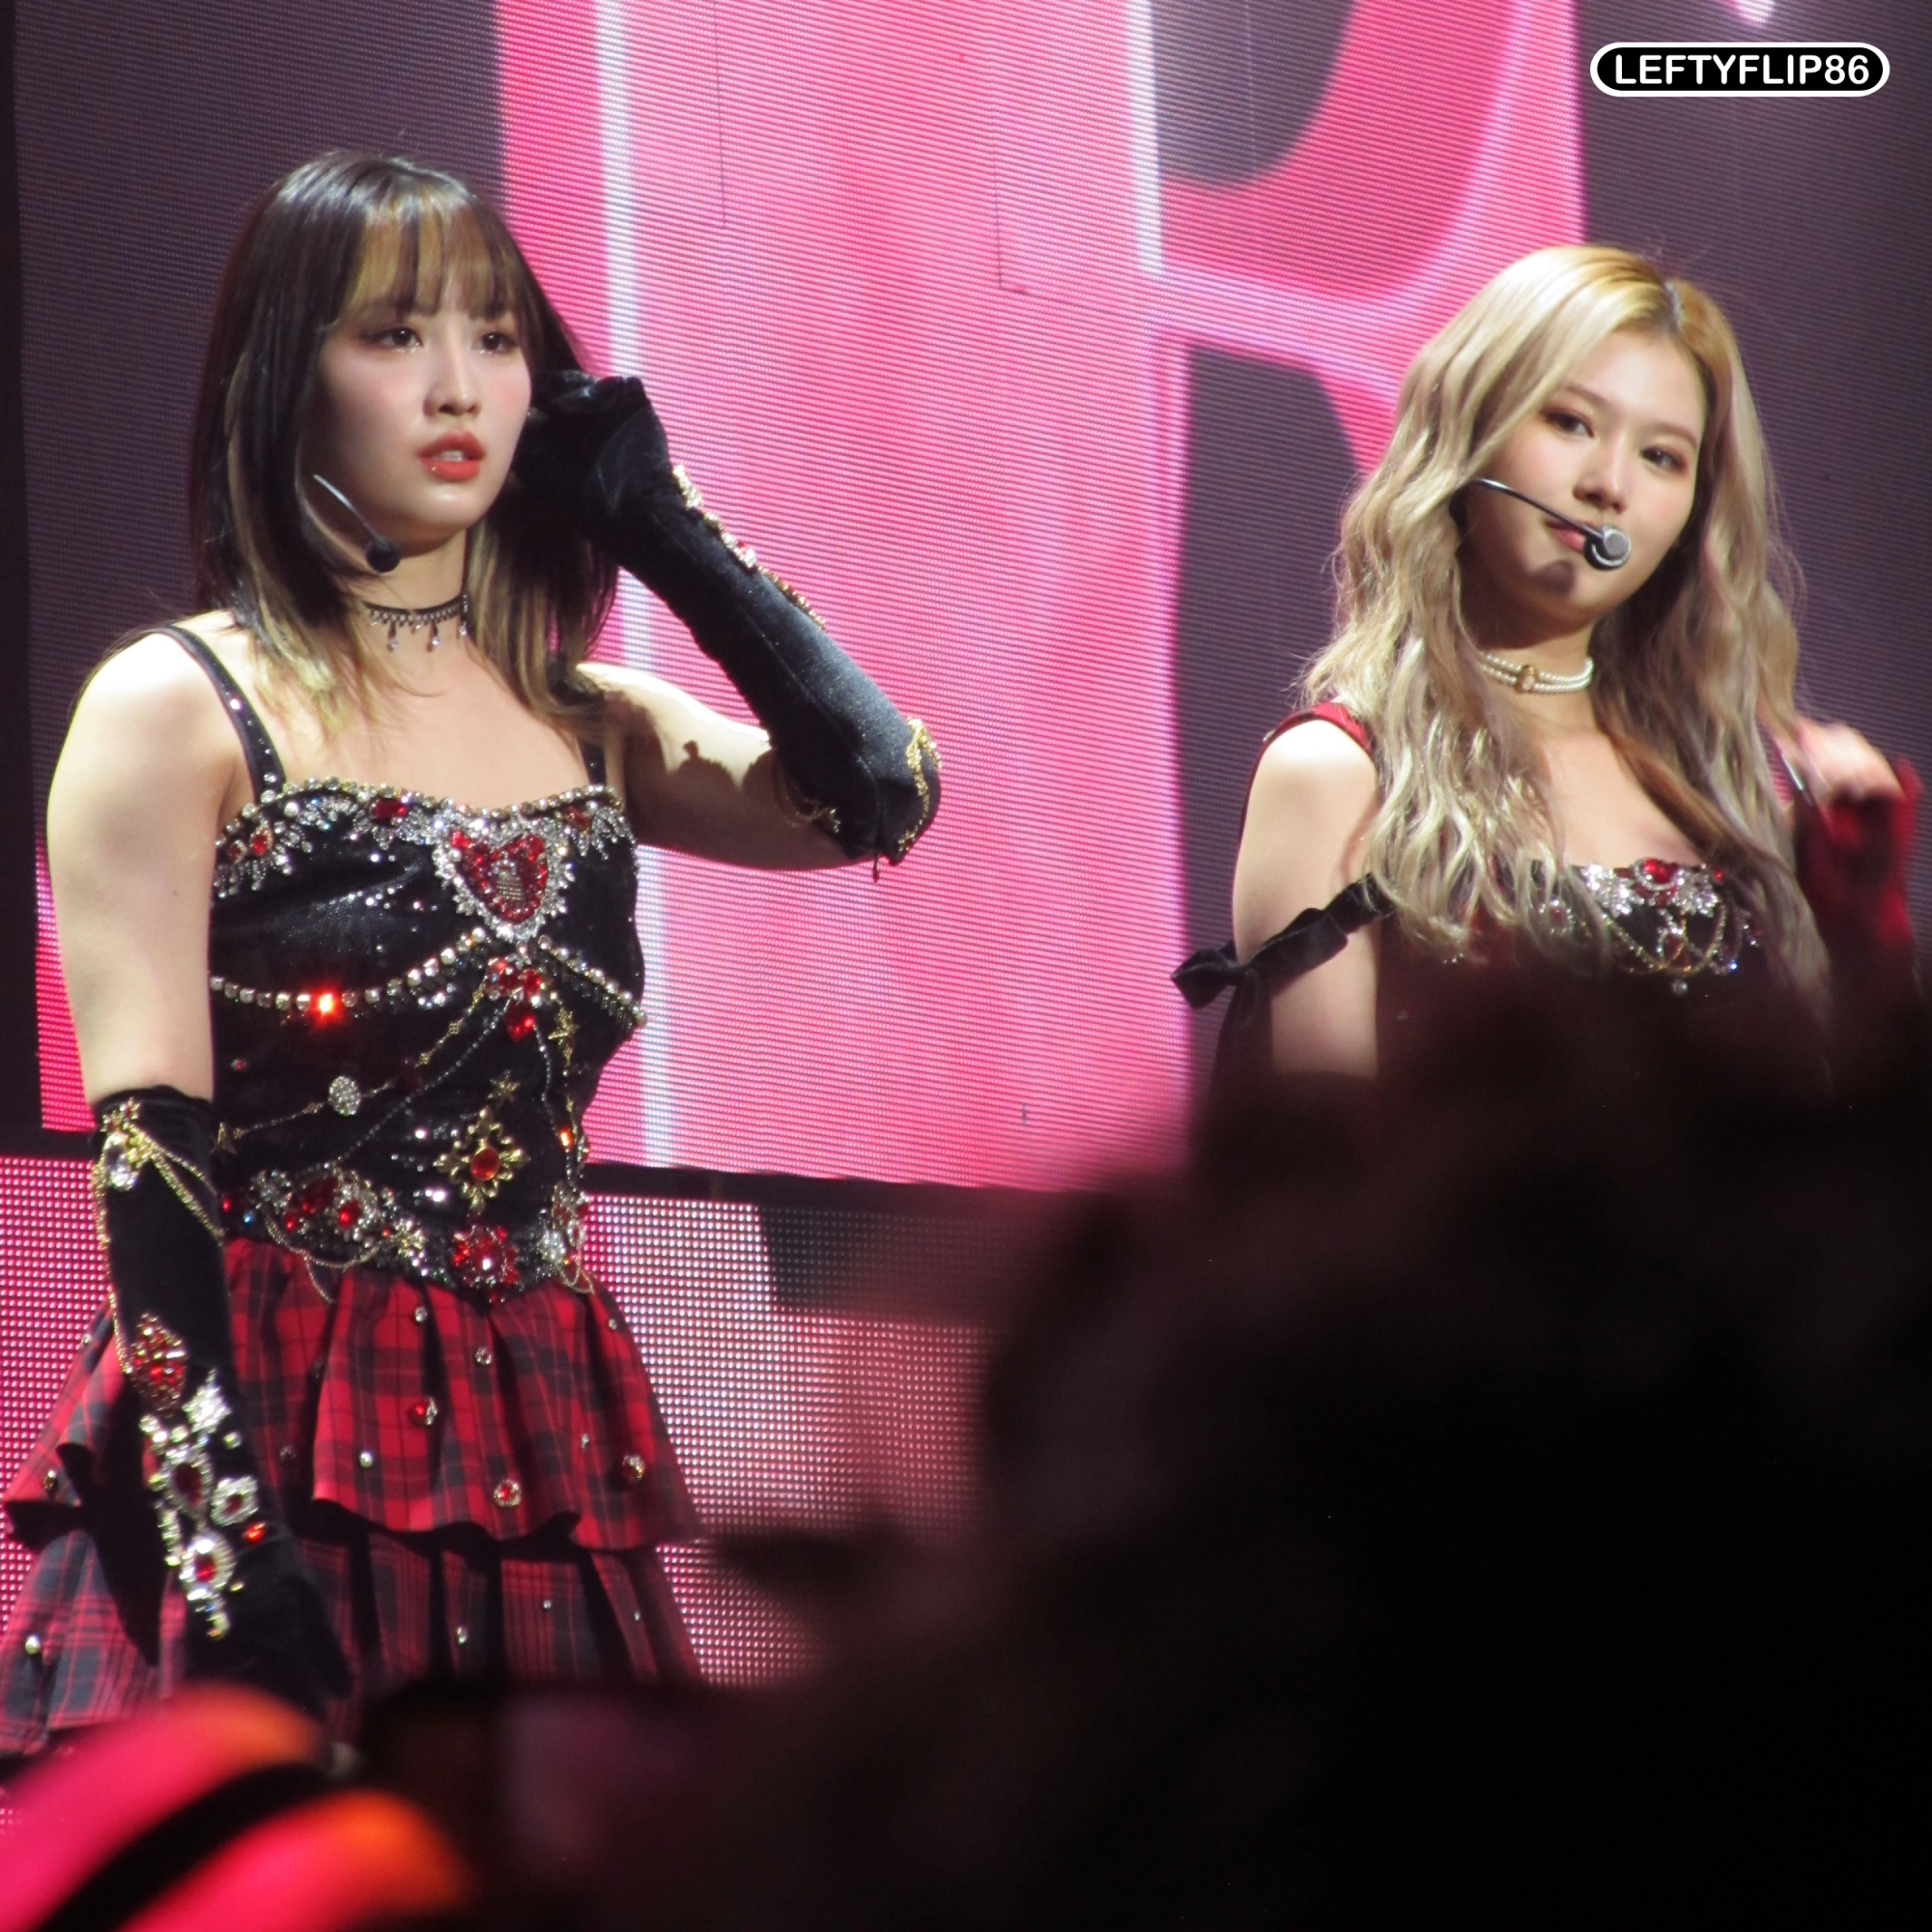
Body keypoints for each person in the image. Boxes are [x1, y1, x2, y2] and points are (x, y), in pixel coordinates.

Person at [0, 151, 940, 1754]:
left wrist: (666, 528)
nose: (457, 385)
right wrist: (223, 1551)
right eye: (394, 336)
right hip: (270, 1433)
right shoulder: (177, 708)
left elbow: (882, 791)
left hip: (539, 1441)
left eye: (497, 339)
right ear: (288, 382)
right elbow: (150, 1167)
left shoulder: (592, 722)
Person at [1175, 246, 1915, 1079]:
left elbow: (1856, 1133)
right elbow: (1317, 1149)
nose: (1608, 484)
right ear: (1470, 435)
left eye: (1661, 457)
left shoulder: (1722, 798)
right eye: (1569, 422)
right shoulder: (1338, 776)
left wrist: (1856, 913)